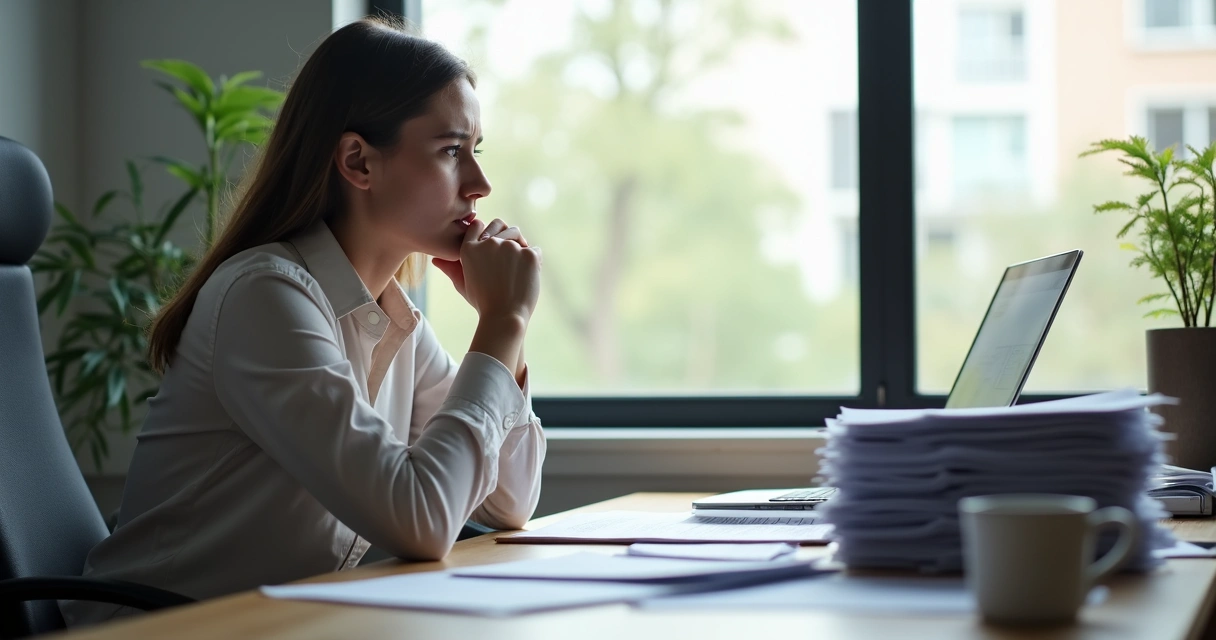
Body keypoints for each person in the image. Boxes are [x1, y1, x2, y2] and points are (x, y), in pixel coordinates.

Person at [61, 17, 545, 627]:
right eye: (451, 151)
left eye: (475, 152)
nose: (480, 184)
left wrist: (511, 335)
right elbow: (421, 520)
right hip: (155, 629)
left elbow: (511, 499)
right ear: (358, 161)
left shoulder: (394, 317)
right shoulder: (264, 297)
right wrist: (502, 322)